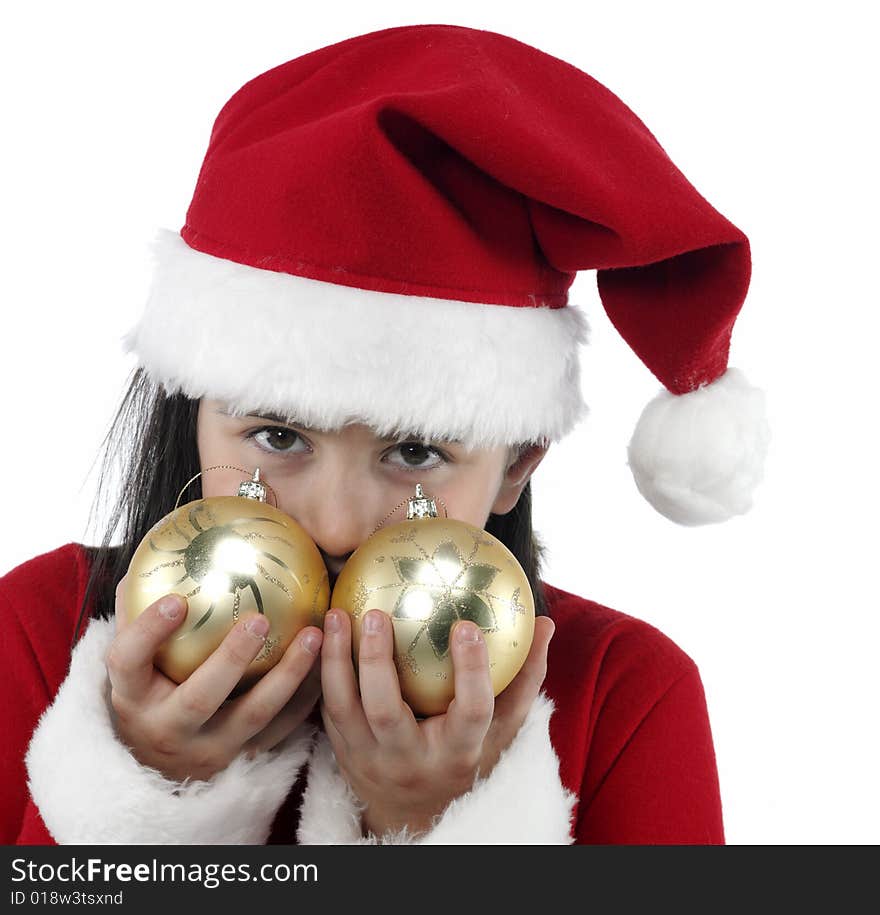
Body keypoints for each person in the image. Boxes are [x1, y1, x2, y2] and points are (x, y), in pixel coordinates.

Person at [0, 23, 768, 845]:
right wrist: (138, 798)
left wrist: (428, 830)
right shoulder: (39, 630)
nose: (333, 523)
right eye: (278, 436)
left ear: (514, 466)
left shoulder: (624, 694)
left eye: (414, 453)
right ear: (192, 415)